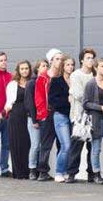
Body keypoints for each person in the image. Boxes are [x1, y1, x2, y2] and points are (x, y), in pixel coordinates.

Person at [83, 58, 103, 184]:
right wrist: (100, 107)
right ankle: (96, 173)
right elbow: (85, 103)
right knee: (96, 149)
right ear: (96, 68)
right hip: (96, 120)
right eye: (101, 66)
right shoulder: (91, 84)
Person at [69, 48, 97, 183]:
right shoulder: (75, 75)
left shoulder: (95, 74)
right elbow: (79, 95)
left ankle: (92, 173)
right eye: (88, 58)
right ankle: (71, 173)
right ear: (82, 60)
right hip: (79, 116)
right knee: (76, 145)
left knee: (93, 146)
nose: (90, 60)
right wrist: (93, 100)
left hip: (94, 115)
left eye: (92, 58)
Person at [35, 49, 62, 182]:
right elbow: (39, 98)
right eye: (57, 59)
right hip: (48, 113)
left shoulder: (64, 76)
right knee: (46, 143)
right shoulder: (43, 77)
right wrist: (42, 114)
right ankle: (42, 171)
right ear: (51, 61)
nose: (59, 61)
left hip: (61, 112)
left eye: (61, 59)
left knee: (62, 143)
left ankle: (60, 170)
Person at [4, 60, 33, 179]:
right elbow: (9, 102)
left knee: (27, 143)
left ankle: (27, 171)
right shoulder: (13, 84)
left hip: (29, 116)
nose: (24, 71)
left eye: (26, 68)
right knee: (16, 143)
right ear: (18, 70)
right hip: (15, 115)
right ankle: (18, 172)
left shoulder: (32, 83)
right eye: (22, 69)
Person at [51, 55, 76, 183]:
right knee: (65, 145)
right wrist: (67, 101)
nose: (70, 67)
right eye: (68, 65)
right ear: (63, 66)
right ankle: (59, 171)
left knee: (71, 145)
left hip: (73, 116)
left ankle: (66, 171)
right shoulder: (56, 81)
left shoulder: (75, 80)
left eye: (72, 65)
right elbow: (52, 101)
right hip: (60, 115)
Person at [25, 60, 48, 180]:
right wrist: (34, 119)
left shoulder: (47, 81)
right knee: (35, 145)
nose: (45, 68)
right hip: (34, 118)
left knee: (43, 145)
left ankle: (42, 170)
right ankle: (32, 169)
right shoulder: (31, 83)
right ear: (37, 68)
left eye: (46, 66)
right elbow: (30, 102)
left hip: (45, 118)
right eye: (43, 66)